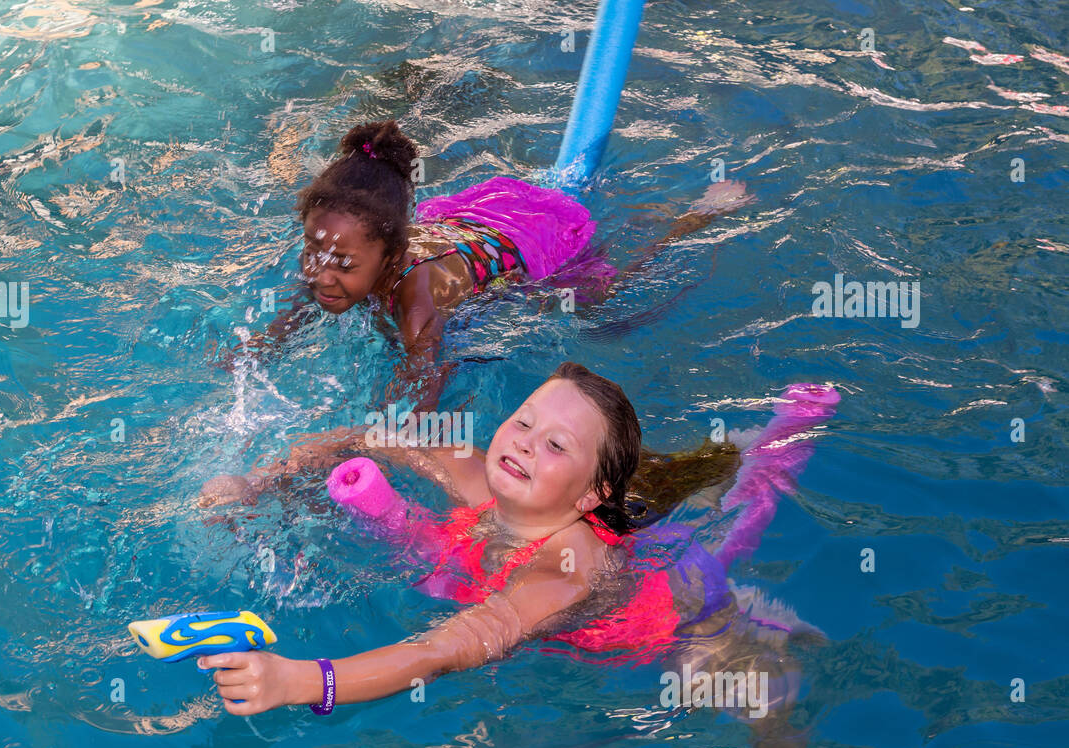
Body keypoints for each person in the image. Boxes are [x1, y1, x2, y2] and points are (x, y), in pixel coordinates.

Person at [195, 362, 750, 716]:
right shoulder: (477, 473)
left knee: (759, 714)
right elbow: (369, 437)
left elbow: (443, 649)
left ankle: (749, 450)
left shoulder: (565, 570)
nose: (526, 443)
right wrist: (260, 481)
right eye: (524, 422)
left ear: (588, 497)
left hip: (675, 632)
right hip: (568, 520)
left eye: (556, 446)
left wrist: (299, 681)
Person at [242, 119, 751, 410]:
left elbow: (422, 387)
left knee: (600, 304)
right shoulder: (339, 252)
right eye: (314, 251)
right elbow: (296, 307)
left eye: (343, 264)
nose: (321, 274)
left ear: (390, 257)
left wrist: (377, 427)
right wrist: (260, 348)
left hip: (514, 254)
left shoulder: (418, 306)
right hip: (460, 232)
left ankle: (688, 218)